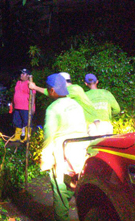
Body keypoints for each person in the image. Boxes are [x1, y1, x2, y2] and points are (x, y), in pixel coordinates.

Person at [40, 73, 88, 221]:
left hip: (63, 155)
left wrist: (44, 158)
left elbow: (49, 136)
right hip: (81, 152)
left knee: (60, 192)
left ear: (52, 90)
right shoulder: (76, 104)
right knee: (75, 186)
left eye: (48, 89)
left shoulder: (52, 109)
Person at [29, 72, 96, 125]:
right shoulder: (74, 88)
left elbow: (52, 92)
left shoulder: (73, 89)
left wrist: (35, 87)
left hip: (90, 121)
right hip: (86, 121)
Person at [9, 68, 36, 142]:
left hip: (26, 107)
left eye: (23, 74)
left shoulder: (30, 83)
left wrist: (32, 107)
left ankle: (27, 137)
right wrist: (12, 103)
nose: (21, 75)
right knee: (17, 121)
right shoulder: (18, 82)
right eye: (21, 73)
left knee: (26, 122)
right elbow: (15, 93)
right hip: (17, 106)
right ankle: (17, 136)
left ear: (27, 76)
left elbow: (33, 95)